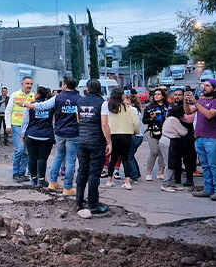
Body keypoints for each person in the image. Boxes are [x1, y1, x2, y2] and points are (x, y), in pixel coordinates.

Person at [26, 76, 80, 196]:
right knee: (71, 159)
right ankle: (67, 187)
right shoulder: (79, 99)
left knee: (59, 156)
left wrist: (28, 105)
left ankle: (53, 182)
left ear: (65, 86)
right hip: (73, 133)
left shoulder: (58, 98)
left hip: (60, 132)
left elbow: (43, 106)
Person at [185, 79, 216, 201]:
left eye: (208, 86)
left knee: (214, 165)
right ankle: (208, 189)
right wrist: (185, 101)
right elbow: (188, 111)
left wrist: (196, 102)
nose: (205, 87)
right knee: (205, 166)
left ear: (215, 88)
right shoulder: (202, 101)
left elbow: (209, 115)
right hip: (200, 138)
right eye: (204, 86)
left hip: (213, 139)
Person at [75, 79, 111, 214]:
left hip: (82, 141)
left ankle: (78, 202)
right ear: (100, 89)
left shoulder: (79, 101)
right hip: (96, 142)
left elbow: (78, 120)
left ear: (88, 88)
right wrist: (109, 142)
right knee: (94, 174)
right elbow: (104, 125)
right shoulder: (102, 103)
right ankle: (93, 205)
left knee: (82, 172)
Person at [103, 88, 140, 190]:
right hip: (127, 135)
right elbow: (136, 123)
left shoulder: (109, 109)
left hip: (113, 135)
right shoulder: (129, 109)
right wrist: (135, 131)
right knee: (125, 159)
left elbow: (105, 123)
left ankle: (109, 180)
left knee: (113, 158)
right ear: (121, 96)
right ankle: (127, 182)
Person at [23, 86, 55, 187]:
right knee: (42, 159)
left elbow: (25, 121)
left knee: (32, 158)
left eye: (35, 92)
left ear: (38, 95)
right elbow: (53, 122)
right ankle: (41, 180)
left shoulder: (31, 106)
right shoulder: (50, 106)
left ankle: (33, 179)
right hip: (46, 135)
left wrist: (23, 134)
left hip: (31, 135)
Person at [5, 77, 35, 182]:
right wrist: (7, 125)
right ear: (22, 84)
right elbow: (8, 111)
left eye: (31, 84)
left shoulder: (33, 96)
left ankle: (22, 173)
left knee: (26, 151)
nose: (29, 86)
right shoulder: (15, 95)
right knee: (19, 149)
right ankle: (15, 173)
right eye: (27, 83)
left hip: (29, 127)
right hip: (17, 125)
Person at [158, 103, 188, 192]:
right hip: (169, 141)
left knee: (171, 162)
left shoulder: (169, 119)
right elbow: (183, 132)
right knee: (170, 163)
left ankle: (170, 183)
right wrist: (185, 129)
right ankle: (166, 183)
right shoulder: (174, 120)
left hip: (165, 140)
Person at [142, 89, 167, 181]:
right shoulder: (149, 107)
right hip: (152, 131)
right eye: (155, 94)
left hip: (164, 131)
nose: (156, 96)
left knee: (162, 153)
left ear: (163, 96)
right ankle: (149, 172)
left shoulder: (167, 107)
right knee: (154, 151)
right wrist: (152, 118)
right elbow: (144, 120)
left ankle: (161, 172)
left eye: (159, 94)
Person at [127, 89, 145, 182]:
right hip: (139, 135)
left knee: (129, 156)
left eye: (126, 100)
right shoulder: (135, 109)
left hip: (135, 136)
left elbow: (133, 123)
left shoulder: (132, 109)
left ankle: (134, 175)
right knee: (131, 155)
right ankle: (136, 173)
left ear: (130, 101)